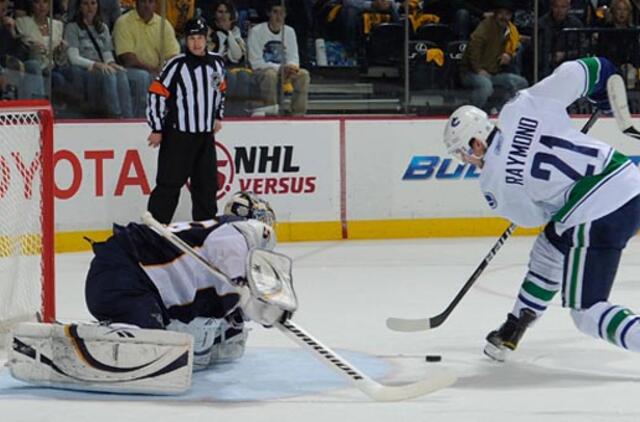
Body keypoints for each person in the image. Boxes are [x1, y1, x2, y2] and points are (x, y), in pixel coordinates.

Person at [442, 56, 640, 362]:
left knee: (586, 311)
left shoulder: (493, 183)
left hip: (597, 211)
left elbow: (535, 217)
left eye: (463, 153)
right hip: (628, 180)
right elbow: (580, 70)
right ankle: (515, 326)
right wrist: (602, 85)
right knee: (550, 245)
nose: (466, 160)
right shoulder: (521, 106)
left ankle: (518, 322)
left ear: (477, 143)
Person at [84, 192, 278, 370]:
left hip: (133, 276)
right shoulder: (235, 237)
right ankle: (96, 339)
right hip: (121, 272)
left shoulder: (218, 247)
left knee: (196, 337)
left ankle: (126, 330)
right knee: (152, 348)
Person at [146, 17, 226, 225]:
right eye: (192, 38)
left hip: (205, 137)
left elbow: (220, 90)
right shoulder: (177, 65)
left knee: (207, 185)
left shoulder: (216, 62)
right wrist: (156, 127)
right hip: (178, 136)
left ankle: (206, 231)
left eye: (200, 38)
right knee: (169, 185)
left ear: (206, 39)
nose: (196, 43)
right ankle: (153, 231)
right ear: (185, 40)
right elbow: (156, 92)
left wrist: (218, 115)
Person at [64, 0, 133, 118]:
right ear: (80, 7)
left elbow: (107, 55)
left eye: (93, 3)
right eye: (85, 4)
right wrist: (96, 64)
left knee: (120, 73)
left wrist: (111, 63)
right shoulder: (72, 27)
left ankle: (127, 117)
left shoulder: (103, 27)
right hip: (85, 68)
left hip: (101, 65)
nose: (90, 7)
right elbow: (73, 58)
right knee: (109, 74)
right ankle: (114, 114)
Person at [112, 0, 181, 117]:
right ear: (137, 3)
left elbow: (173, 55)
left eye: (150, 2)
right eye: (143, 2)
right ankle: (139, 119)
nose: (147, 6)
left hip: (157, 70)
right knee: (142, 77)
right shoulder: (124, 22)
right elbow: (127, 58)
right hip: (129, 70)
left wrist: (165, 71)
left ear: (155, 4)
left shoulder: (163, 24)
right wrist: (153, 70)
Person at [459, 0, 529, 112]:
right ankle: (472, 112)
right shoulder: (486, 26)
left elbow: (513, 46)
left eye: (507, 14)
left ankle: (504, 111)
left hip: (492, 73)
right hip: (471, 72)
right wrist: (478, 69)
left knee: (521, 82)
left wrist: (508, 55)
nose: (504, 17)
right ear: (495, 13)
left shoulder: (509, 30)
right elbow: (474, 47)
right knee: (485, 85)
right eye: (501, 13)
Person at [247, 0, 310, 116]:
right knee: (270, 74)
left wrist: (291, 67)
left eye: (282, 13)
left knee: (303, 74)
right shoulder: (256, 31)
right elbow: (255, 62)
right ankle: (272, 113)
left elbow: (294, 57)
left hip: (284, 70)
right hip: (262, 72)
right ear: (268, 13)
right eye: (275, 12)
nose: (278, 16)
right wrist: (279, 68)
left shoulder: (290, 31)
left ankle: (298, 113)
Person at [537, 0, 584, 79]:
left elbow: (582, 50)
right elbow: (537, 51)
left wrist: (564, 55)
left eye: (563, 7)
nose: (559, 11)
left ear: (569, 8)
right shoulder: (541, 24)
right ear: (551, 7)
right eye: (556, 7)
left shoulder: (576, 24)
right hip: (546, 66)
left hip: (570, 65)